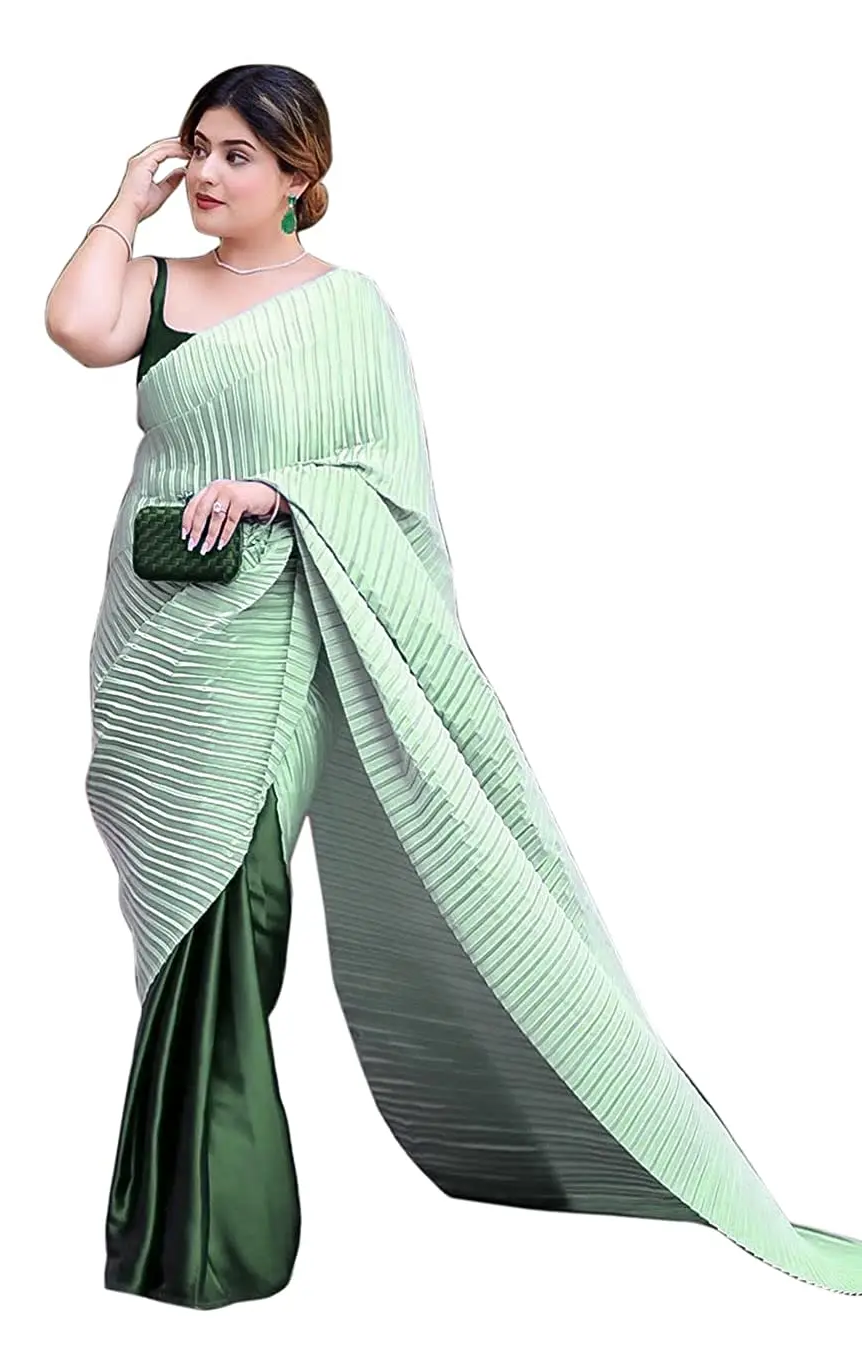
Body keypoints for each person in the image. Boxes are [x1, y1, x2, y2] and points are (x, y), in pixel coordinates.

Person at [45, 64, 862, 1310]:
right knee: (173, 912)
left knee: (235, 899)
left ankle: (206, 1231)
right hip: (156, 637)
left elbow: (391, 482)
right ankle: (183, 1214)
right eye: (196, 147)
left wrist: (281, 490)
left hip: (274, 634)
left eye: (238, 156)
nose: (206, 173)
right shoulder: (154, 283)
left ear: (301, 175)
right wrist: (122, 199)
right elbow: (75, 327)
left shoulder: (348, 309)